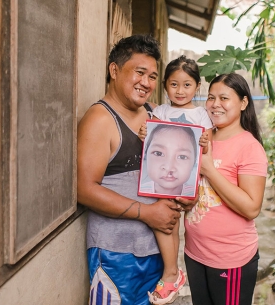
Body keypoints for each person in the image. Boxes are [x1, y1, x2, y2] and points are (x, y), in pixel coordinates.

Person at [77, 34, 196, 305]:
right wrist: (148, 213)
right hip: (116, 254)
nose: (146, 82)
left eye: (153, 76)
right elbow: (84, 189)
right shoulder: (100, 119)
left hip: (154, 251)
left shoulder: (156, 114)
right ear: (114, 70)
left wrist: (188, 193)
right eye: (139, 73)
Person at [184, 73, 268, 305]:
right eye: (211, 98)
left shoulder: (249, 147)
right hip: (194, 252)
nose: (215, 104)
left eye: (224, 98)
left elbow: (251, 208)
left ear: (243, 103)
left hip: (230, 259)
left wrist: (210, 170)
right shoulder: (202, 138)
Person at [138, 55, 212, 304]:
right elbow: (152, 146)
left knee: (173, 221)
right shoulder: (159, 111)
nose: (180, 91)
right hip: (164, 177)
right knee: (167, 220)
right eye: (174, 84)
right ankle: (172, 271)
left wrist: (205, 143)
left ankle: (173, 271)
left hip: (188, 180)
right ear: (165, 85)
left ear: (197, 87)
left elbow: (208, 150)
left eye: (187, 84)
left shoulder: (202, 115)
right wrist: (144, 136)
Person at [139, 123, 199, 197]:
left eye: (182, 157)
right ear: (145, 156)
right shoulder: (140, 192)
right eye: (158, 153)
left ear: (194, 162)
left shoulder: (197, 196)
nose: (169, 167)